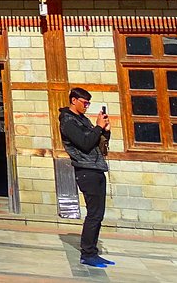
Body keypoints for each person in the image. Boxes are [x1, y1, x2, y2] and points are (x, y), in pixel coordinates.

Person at [59, 87, 114, 269]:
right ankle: (87, 253)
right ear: (74, 100)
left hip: (96, 167)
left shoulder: (83, 120)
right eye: (84, 103)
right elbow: (84, 144)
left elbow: (97, 144)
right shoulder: (68, 121)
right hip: (85, 170)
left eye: (88, 103)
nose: (86, 106)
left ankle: (93, 251)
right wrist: (98, 126)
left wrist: (105, 131)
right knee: (93, 213)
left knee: (99, 214)